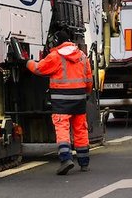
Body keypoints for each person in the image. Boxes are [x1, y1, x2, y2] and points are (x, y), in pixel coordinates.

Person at [27, 30, 94, 174]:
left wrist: (27, 62)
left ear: (57, 42)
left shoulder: (55, 56)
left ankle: (66, 159)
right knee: (80, 129)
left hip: (61, 100)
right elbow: (89, 79)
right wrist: (86, 93)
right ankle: (84, 162)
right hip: (79, 99)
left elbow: (39, 69)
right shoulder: (82, 56)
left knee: (62, 129)